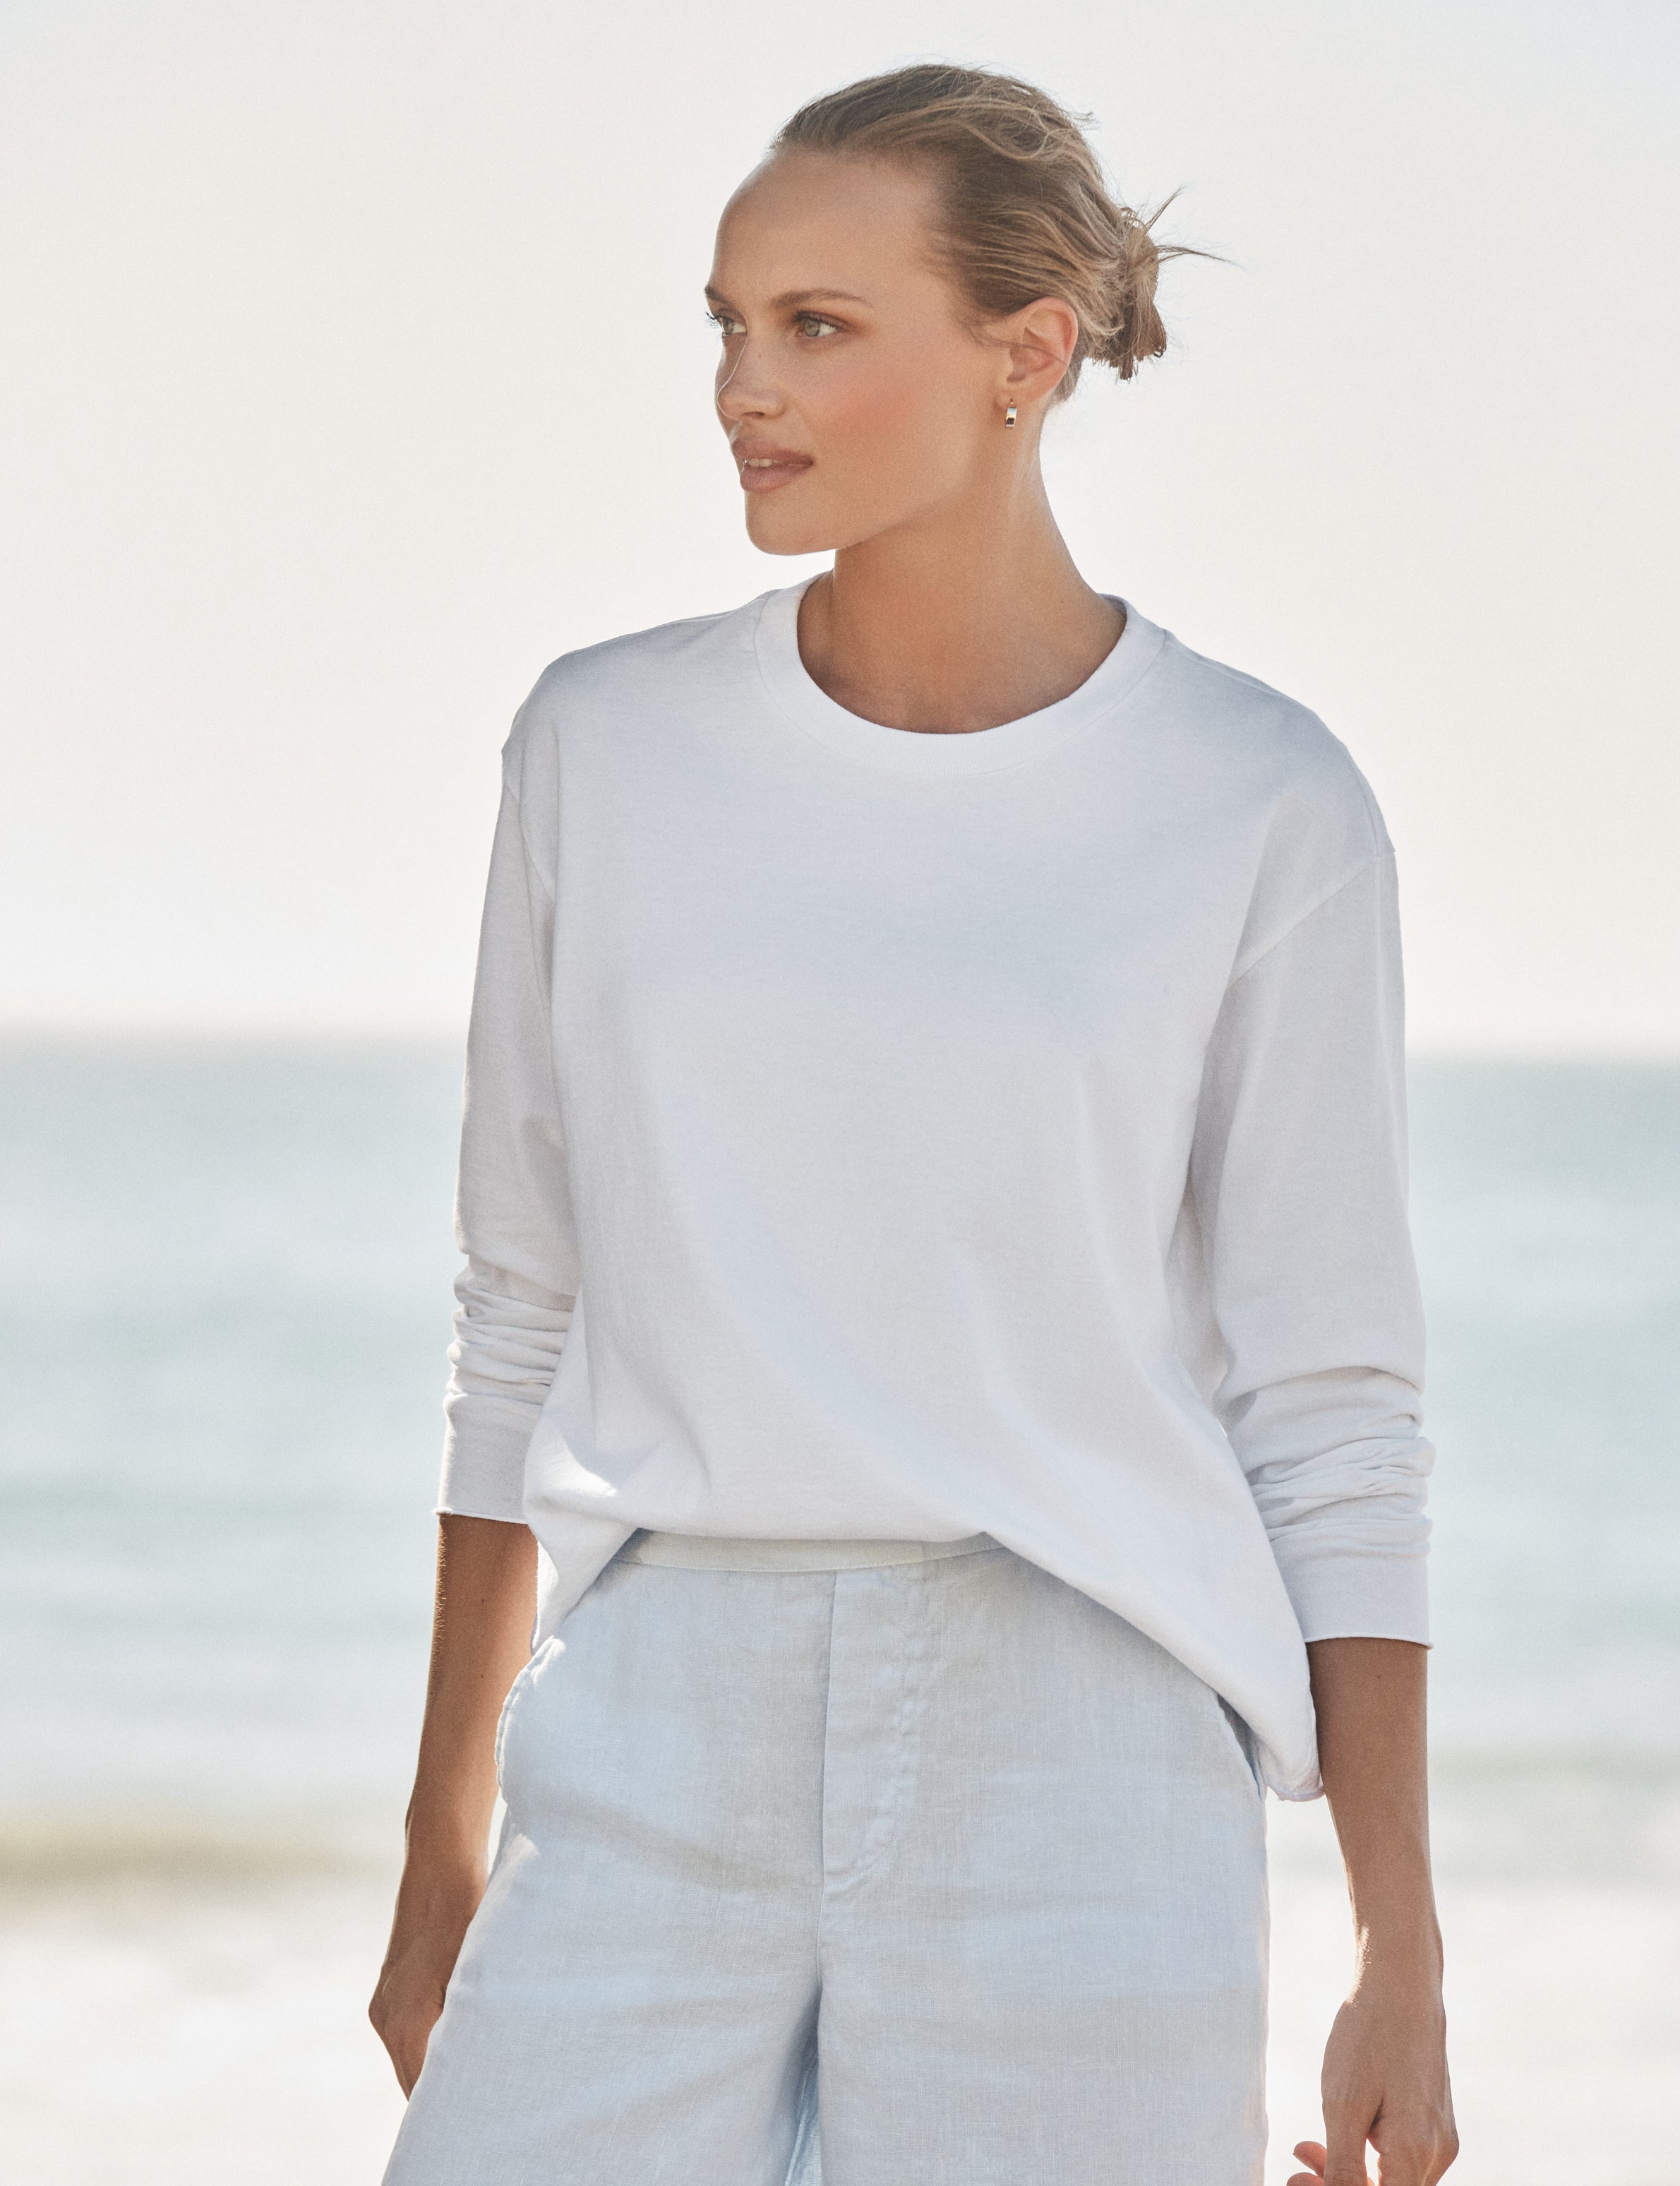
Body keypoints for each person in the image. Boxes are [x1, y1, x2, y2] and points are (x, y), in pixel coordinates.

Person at [370, 61, 1458, 2186]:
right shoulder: (603, 744)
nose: (741, 389)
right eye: (727, 323)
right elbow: (522, 1313)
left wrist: (1397, 1941)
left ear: (1025, 356)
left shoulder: (1258, 800)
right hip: (650, 1714)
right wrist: (441, 1838)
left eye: (818, 326)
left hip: (1079, 1752)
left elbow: (1330, 1403)